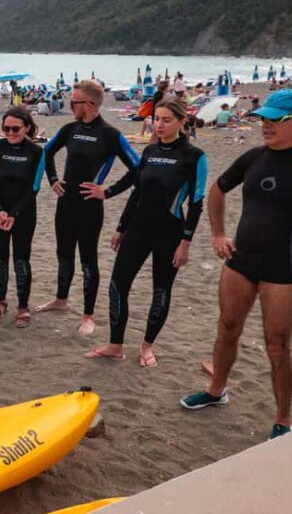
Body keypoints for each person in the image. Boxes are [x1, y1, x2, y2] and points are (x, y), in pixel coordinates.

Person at [180, 90, 292, 439]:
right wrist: (218, 234)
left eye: (275, 120)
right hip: (240, 262)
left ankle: (282, 419)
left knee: (277, 345)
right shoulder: (253, 157)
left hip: (283, 271)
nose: (266, 125)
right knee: (227, 328)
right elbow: (217, 190)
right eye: (264, 118)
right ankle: (216, 390)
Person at [85, 98, 207, 366]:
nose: (159, 125)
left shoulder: (194, 157)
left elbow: (197, 203)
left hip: (171, 233)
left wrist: (185, 242)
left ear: (181, 121)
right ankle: (115, 345)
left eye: (166, 120)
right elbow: (136, 191)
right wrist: (120, 227)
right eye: (157, 119)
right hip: (138, 230)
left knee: (160, 291)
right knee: (117, 286)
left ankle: (147, 346)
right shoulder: (150, 152)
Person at [37, 80, 140, 335]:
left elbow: (138, 169)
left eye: (75, 101)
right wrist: (52, 179)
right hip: (65, 204)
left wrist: (107, 191)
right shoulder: (69, 129)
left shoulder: (111, 135)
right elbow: (45, 153)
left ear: (90, 104)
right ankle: (61, 300)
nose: (70, 105)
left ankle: (88, 315)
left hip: (90, 208)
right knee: (63, 254)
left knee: (88, 261)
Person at [0, 106, 46, 328]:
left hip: (24, 213)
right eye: (6, 128)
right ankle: (1, 302)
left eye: (15, 129)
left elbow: (34, 188)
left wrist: (13, 213)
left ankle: (23, 306)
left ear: (27, 128)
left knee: (21, 259)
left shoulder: (37, 152)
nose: (10, 133)